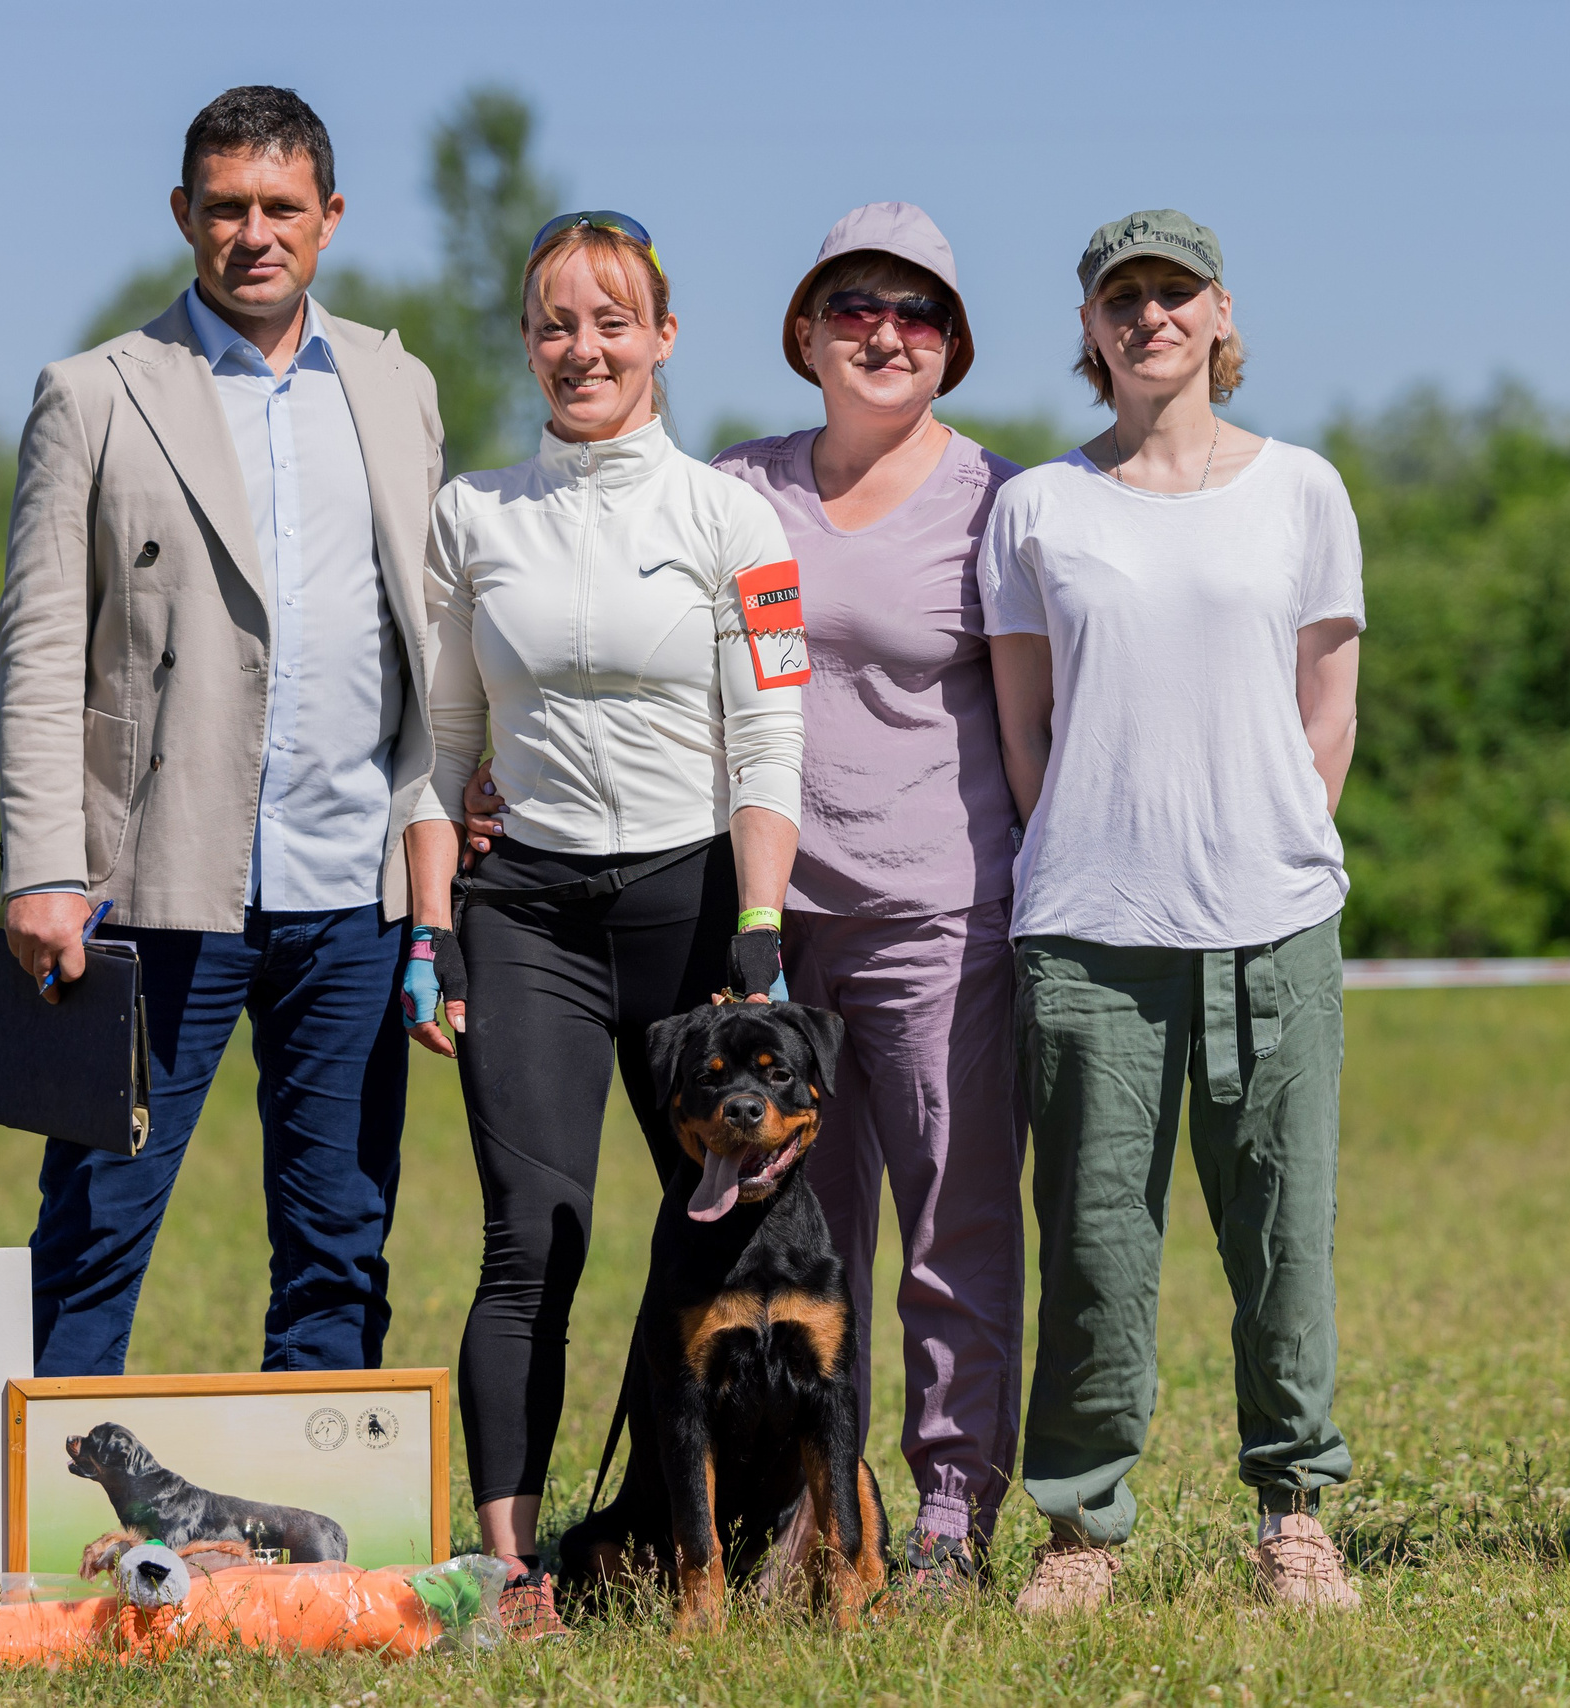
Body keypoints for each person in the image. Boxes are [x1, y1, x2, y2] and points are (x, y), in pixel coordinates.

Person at [469, 203, 1025, 1587]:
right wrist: (493, 768)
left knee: (948, 1223)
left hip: (934, 909)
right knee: (782, 1250)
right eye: (853, 307)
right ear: (803, 334)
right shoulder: (739, 487)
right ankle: (785, 1526)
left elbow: (1035, 716)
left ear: (951, 344)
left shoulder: (999, 500)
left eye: (915, 312)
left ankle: (946, 1509)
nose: (882, 332)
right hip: (754, 917)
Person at [0, 86, 445, 1377]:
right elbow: (36, 646)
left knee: (342, 1234)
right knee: (94, 1219)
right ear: (186, 214)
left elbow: (424, 632)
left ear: (331, 218)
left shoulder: (396, 384)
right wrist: (44, 866)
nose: (257, 232)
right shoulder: (91, 393)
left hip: (351, 889)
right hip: (147, 886)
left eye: (283, 207)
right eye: (230, 206)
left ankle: (323, 1542)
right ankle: (55, 1527)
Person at [398, 212, 805, 1633]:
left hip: (691, 905)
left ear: (664, 338)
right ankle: (512, 1570)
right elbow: (440, 747)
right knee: (534, 1240)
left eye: (612, 322)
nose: (584, 349)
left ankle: (764, 1530)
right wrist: (429, 929)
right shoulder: (471, 516)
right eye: (557, 325)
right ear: (527, 343)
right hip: (527, 916)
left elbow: (770, 736)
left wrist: (760, 923)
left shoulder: (731, 519)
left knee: (735, 1232)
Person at [982, 211, 1365, 1614]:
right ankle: (1082, 1528)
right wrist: (1098, 836)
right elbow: (1025, 725)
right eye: (1121, 296)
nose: (1150, 315)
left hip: (1273, 924)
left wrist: (1272, 841)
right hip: (1089, 928)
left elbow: (1329, 703)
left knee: (1283, 1242)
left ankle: (1297, 1515)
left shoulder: (1304, 491)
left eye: (1174, 292)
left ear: (1219, 315)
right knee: (1092, 1245)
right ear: (1090, 328)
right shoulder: (1039, 509)